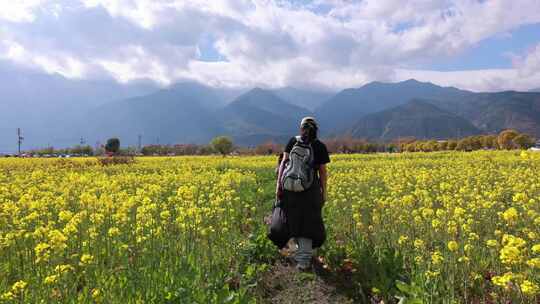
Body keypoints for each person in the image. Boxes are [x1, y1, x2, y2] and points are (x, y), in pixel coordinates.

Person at [276, 116, 330, 271]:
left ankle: (301, 253)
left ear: (301, 128)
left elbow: (283, 165)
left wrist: (278, 186)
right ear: (316, 129)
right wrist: (324, 192)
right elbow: (322, 172)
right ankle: (304, 259)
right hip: (310, 190)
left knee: (294, 218)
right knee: (308, 222)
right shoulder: (319, 146)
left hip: (290, 188)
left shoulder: (293, 141)